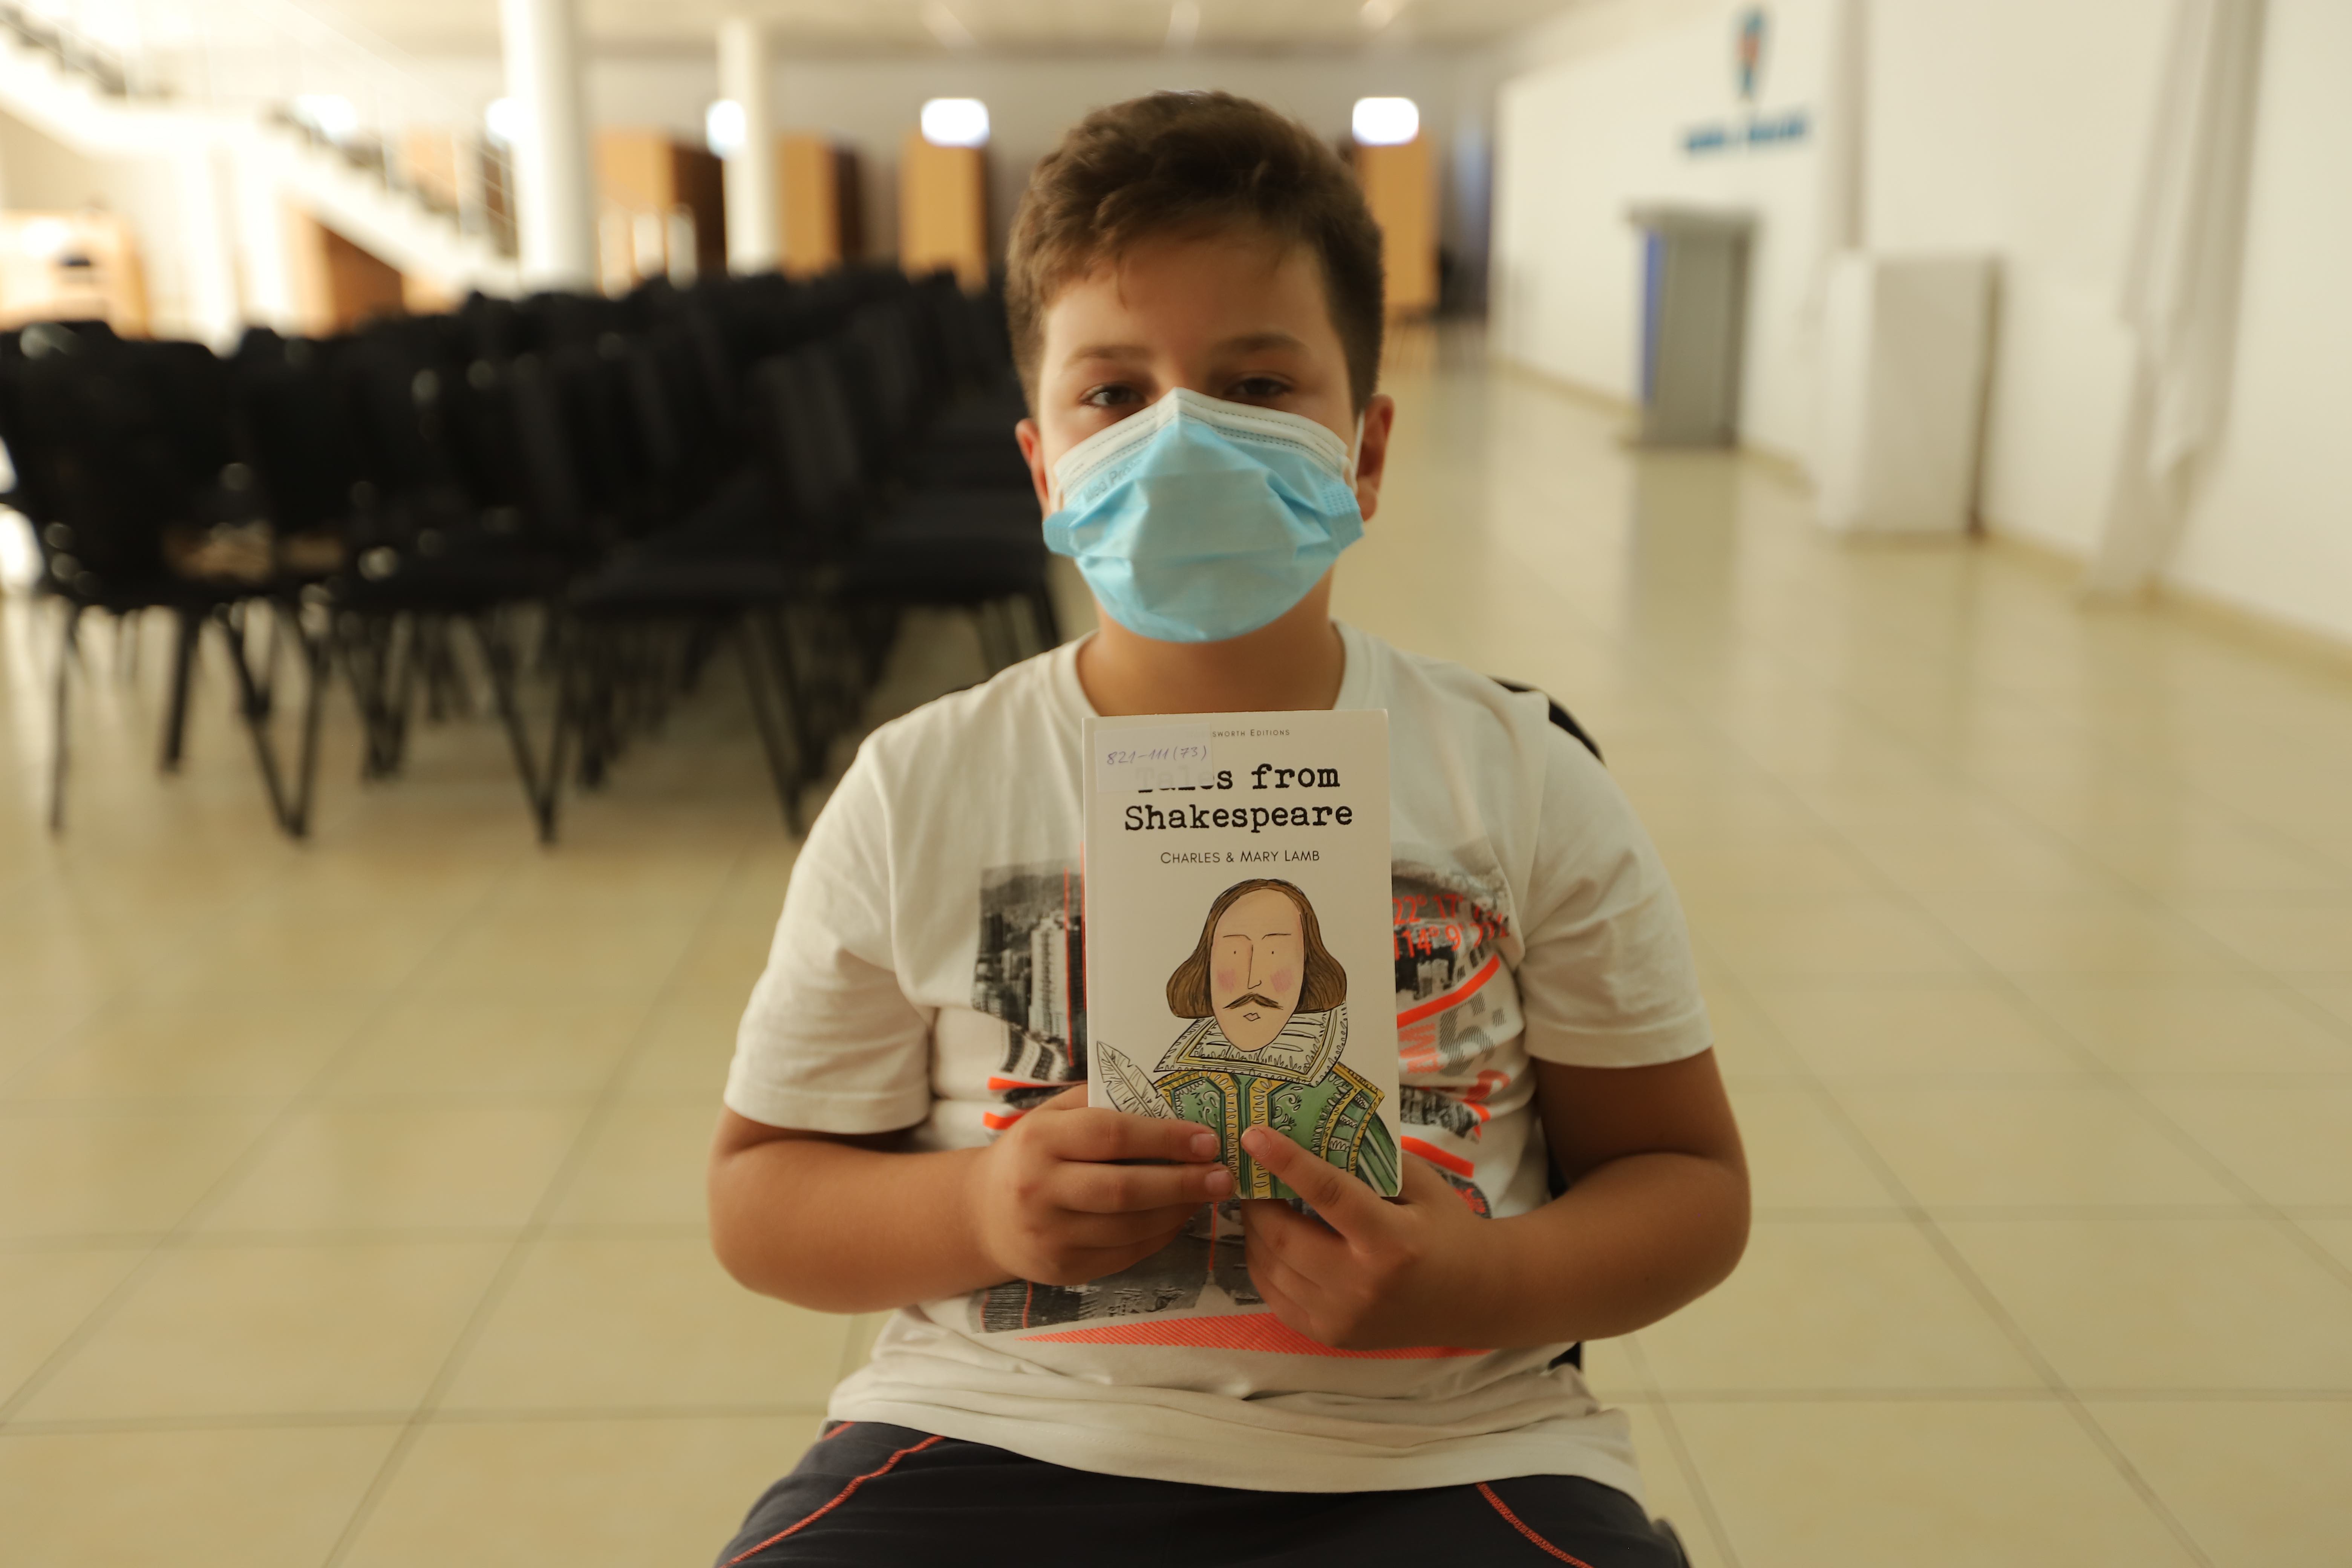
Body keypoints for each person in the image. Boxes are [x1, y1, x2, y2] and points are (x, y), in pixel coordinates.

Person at [708, 90, 1747, 1567]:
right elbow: (760, 1199)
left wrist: (1482, 1283)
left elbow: (1690, 1186)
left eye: (1259, 384)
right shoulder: (921, 781)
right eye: (1115, 393)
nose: (1184, 434)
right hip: (991, 1428)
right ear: (1043, 469)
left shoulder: (1518, 774)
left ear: (1367, 449)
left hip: (1450, 1446)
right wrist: (985, 1207)